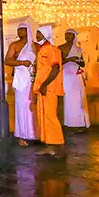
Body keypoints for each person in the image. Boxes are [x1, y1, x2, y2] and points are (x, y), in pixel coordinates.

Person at [33, 26, 66, 158]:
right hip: (42, 88)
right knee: (43, 116)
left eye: (39, 34)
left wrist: (45, 84)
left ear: (46, 35)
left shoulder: (53, 50)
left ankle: (60, 146)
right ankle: (50, 146)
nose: (37, 36)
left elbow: (55, 69)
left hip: (49, 88)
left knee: (51, 116)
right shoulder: (41, 50)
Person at [4, 23, 36, 146]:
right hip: (21, 79)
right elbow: (7, 60)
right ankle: (22, 135)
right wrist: (22, 62)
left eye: (22, 29)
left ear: (27, 30)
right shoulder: (14, 45)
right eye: (18, 29)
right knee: (21, 106)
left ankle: (34, 133)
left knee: (32, 106)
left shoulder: (34, 46)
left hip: (33, 79)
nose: (19, 32)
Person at [60, 29, 90, 129]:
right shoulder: (60, 48)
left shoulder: (77, 49)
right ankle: (68, 123)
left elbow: (83, 63)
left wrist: (78, 61)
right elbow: (57, 62)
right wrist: (69, 59)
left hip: (76, 76)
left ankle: (79, 123)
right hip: (66, 75)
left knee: (78, 100)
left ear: (74, 37)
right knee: (68, 99)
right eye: (66, 34)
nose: (67, 36)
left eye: (69, 34)